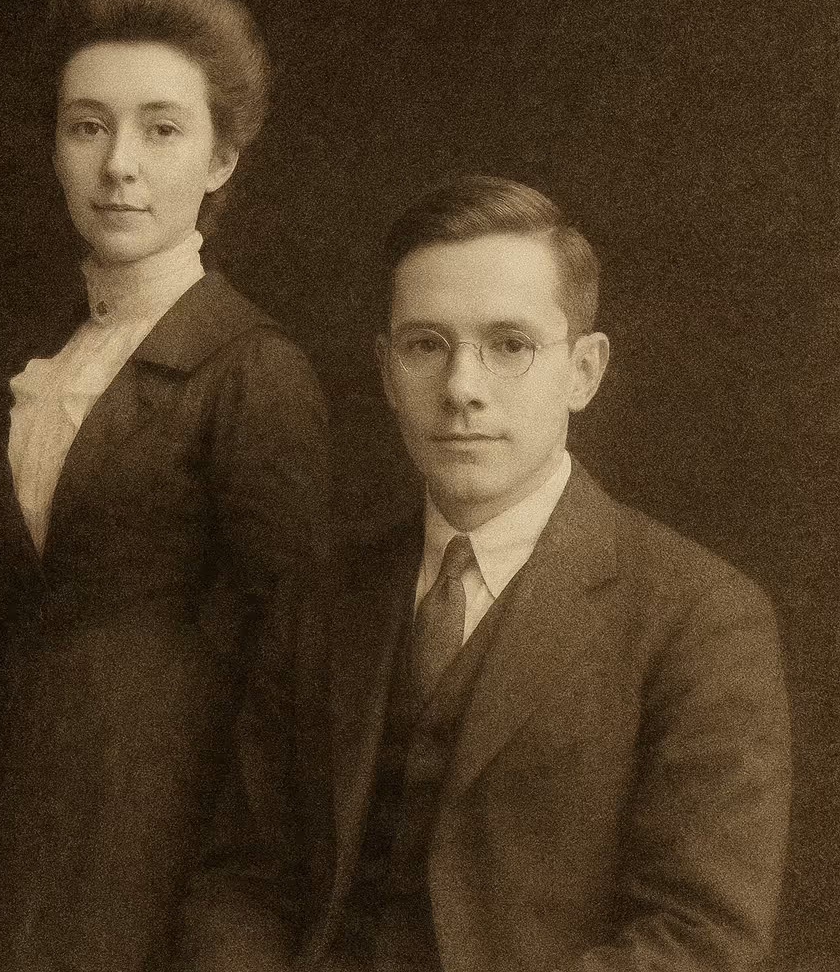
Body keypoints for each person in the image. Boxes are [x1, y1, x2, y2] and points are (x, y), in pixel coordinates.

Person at [181, 176, 792, 971]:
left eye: (509, 345)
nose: (462, 390)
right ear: (387, 372)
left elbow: (699, 941)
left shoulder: (703, 620)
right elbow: (244, 881)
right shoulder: (324, 598)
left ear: (584, 370)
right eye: (425, 345)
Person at [0, 0, 331, 971]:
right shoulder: (62, 357)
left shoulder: (252, 369)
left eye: (161, 129)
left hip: (157, 825)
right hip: (23, 809)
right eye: (88, 125)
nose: (120, 163)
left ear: (220, 159)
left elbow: (283, 655)